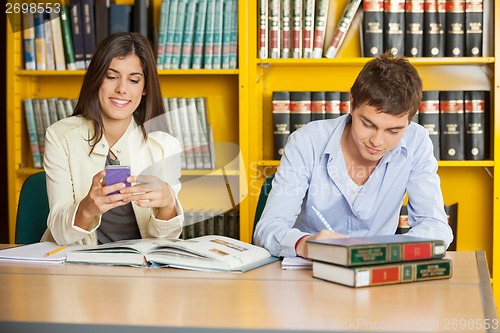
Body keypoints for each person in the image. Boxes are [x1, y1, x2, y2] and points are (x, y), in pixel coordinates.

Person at [253, 52, 453, 258]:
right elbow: (269, 228)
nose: (377, 141)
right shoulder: (307, 141)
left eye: (393, 131)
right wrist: (305, 244)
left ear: (410, 120)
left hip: (376, 273)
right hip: (309, 272)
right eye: (367, 124)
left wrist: (391, 252)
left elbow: (435, 224)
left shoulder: (416, 142)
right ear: (351, 102)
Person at [41, 32, 184, 245]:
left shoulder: (165, 145)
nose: (122, 89)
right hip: (76, 264)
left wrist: (168, 203)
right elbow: (60, 234)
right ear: (97, 78)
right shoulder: (60, 136)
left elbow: (166, 240)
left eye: (134, 80)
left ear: (144, 88)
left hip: (140, 268)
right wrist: (87, 208)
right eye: (111, 76)